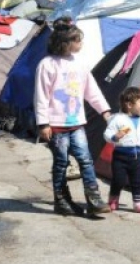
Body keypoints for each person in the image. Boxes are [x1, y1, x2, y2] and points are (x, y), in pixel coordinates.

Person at [34, 16, 112, 217]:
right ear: (65, 43)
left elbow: (91, 90)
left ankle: (94, 200)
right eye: (77, 40)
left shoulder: (80, 64)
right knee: (61, 163)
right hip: (56, 125)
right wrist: (43, 123)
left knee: (86, 160)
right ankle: (61, 200)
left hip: (77, 123)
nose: (81, 44)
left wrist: (104, 110)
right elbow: (41, 95)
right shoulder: (47, 65)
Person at [103, 86, 140, 213]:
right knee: (119, 180)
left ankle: (138, 203)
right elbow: (107, 134)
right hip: (120, 157)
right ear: (129, 105)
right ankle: (113, 198)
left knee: (138, 180)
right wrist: (114, 137)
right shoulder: (118, 119)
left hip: (138, 157)